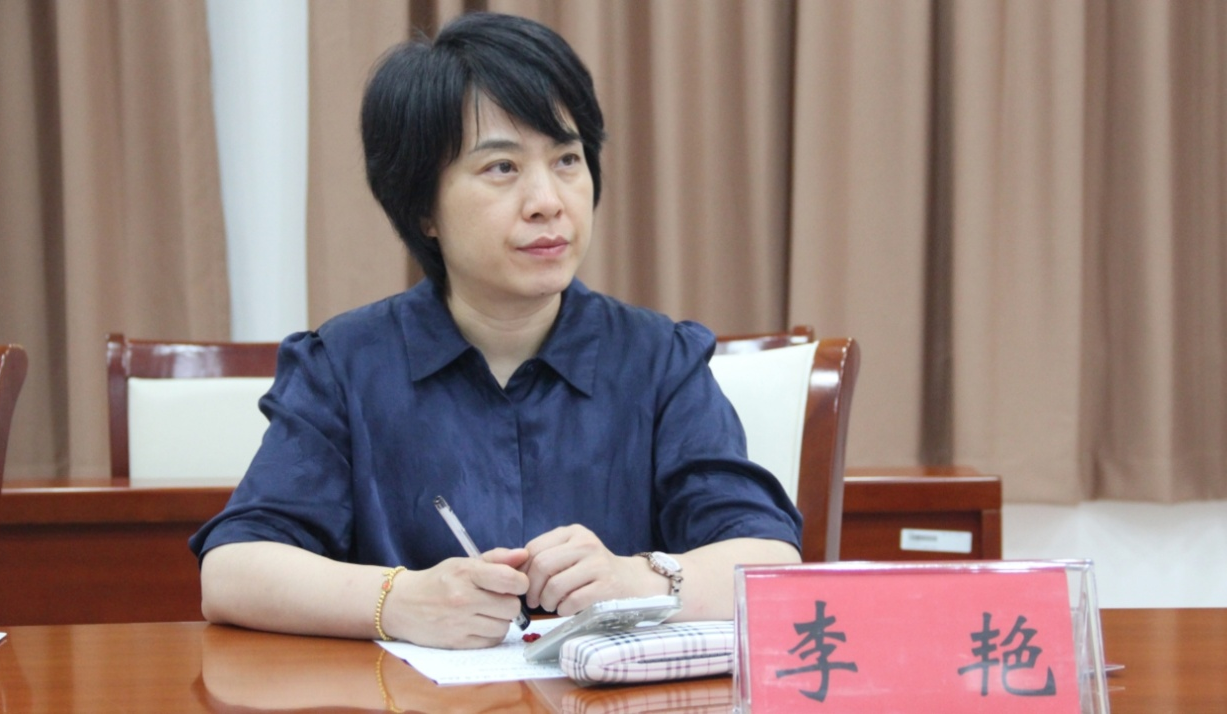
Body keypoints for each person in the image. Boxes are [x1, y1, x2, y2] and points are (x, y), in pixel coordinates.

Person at [190, 11, 802, 650]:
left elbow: (769, 560)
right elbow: (232, 572)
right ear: (424, 209)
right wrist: (399, 601)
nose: (548, 201)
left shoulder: (657, 360)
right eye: (502, 167)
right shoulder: (345, 365)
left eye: (567, 160)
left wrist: (635, 579)